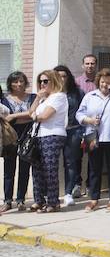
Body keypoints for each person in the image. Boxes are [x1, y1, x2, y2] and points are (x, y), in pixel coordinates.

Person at [76, 69, 110, 212]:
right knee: (94, 169)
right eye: (103, 82)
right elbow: (79, 114)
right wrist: (89, 120)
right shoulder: (90, 96)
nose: (105, 85)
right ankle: (94, 199)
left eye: (109, 82)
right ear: (98, 82)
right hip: (93, 136)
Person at [26, 70, 68, 212]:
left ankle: (53, 201)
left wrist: (34, 116)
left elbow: (44, 116)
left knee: (50, 169)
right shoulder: (44, 98)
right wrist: (37, 99)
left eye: (46, 81)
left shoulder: (59, 97)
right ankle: (39, 200)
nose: (42, 84)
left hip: (52, 135)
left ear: (54, 81)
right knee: (37, 169)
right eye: (40, 81)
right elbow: (30, 112)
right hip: (37, 136)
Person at [2, 72, 35, 211]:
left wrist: (14, 117)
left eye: (21, 81)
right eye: (15, 82)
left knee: (24, 169)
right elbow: (4, 117)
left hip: (28, 136)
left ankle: (21, 199)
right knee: (9, 170)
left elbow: (34, 114)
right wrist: (26, 116)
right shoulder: (4, 99)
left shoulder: (33, 97)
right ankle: (8, 201)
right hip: (10, 137)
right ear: (10, 84)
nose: (19, 84)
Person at [55, 65, 86, 207]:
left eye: (64, 76)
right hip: (54, 132)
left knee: (70, 163)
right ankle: (52, 194)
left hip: (73, 131)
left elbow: (84, 112)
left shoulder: (77, 93)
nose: (61, 78)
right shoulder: (51, 93)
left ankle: (68, 192)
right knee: (51, 163)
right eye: (58, 76)